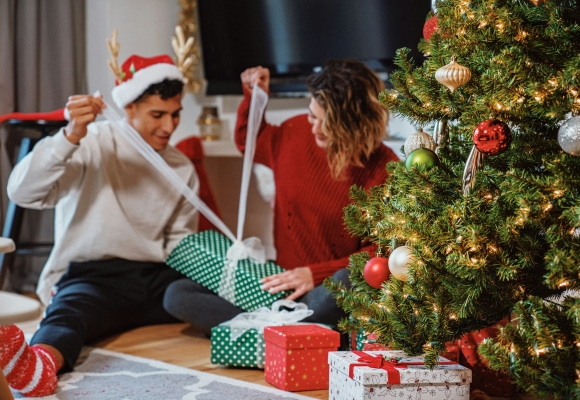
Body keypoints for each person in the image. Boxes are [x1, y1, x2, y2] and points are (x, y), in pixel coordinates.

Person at [0, 51, 198, 397]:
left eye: (176, 114)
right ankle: (41, 363)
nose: (169, 127)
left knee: (208, 286)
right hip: (94, 274)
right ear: (130, 108)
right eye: (158, 114)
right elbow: (21, 191)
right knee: (72, 311)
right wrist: (70, 136)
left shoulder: (181, 167)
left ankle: (273, 330)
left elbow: (180, 242)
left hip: (152, 276)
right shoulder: (92, 142)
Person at [163, 60, 399, 340]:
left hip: (323, 291)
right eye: (313, 116)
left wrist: (315, 274)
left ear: (357, 122)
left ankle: (265, 330)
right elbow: (248, 141)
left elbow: (382, 252)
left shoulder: (384, 168)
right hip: (279, 283)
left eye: (329, 123)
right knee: (177, 294)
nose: (316, 129)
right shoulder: (294, 132)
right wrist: (255, 96)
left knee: (346, 280)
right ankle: (292, 332)